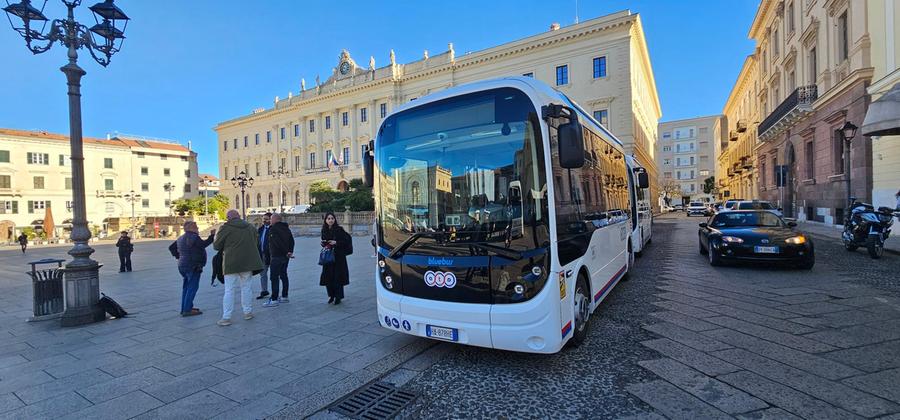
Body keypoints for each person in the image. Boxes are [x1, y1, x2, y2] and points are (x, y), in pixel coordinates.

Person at [212, 209, 264, 326]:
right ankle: (248, 312)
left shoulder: (225, 228)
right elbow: (257, 243)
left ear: (229, 217)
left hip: (231, 263)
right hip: (248, 262)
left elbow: (216, 246)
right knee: (247, 288)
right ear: (239, 216)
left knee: (229, 290)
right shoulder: (250, 227)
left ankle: (226, 317)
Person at [174, 221, 215, 316]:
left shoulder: (181, 238)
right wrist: (212, 236)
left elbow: (172, 248)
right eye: (196, 227)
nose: (198, 229)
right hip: (192, 265)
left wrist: (180, 256)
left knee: (186, 287)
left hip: (182, 265)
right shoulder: (193, 236)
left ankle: (185, 307)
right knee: (192, 287)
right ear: (191, 228)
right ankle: (187, 309)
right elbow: (203, 244)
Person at [320, 212, 352, 305]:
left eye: (332, 218)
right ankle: (331, 295)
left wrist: (336, 242)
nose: (330, 220)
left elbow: (346, 240)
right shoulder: (324, 230)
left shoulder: (339, 229)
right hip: (328, 257)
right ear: (325, 220)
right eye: (328, 219)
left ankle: (338, 296)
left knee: (337, 277)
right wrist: (323, 243)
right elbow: (324, 242)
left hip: (338, 257)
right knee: (328, 277)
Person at [264, 213, 295, 307]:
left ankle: (274, 299)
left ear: (275, 220)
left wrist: (286, 252)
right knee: (283, 275)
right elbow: (292, 241)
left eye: (271, 219)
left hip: (277, 256)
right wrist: (289, 251)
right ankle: (285, 296)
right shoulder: (286, 228)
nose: (270, 221)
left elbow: (277, 242)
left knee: (274, 277)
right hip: (285, 257)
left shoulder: (273, 229)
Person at [256, 213, 272, 300]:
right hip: (262, 254)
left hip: (272, 255)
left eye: (266, 219)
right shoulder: (260, 229)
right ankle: (264, 291)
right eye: (263, 219)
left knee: (274, 275)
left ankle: (275, 292)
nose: (264, 221)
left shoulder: (274, 229)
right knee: (263, 274)